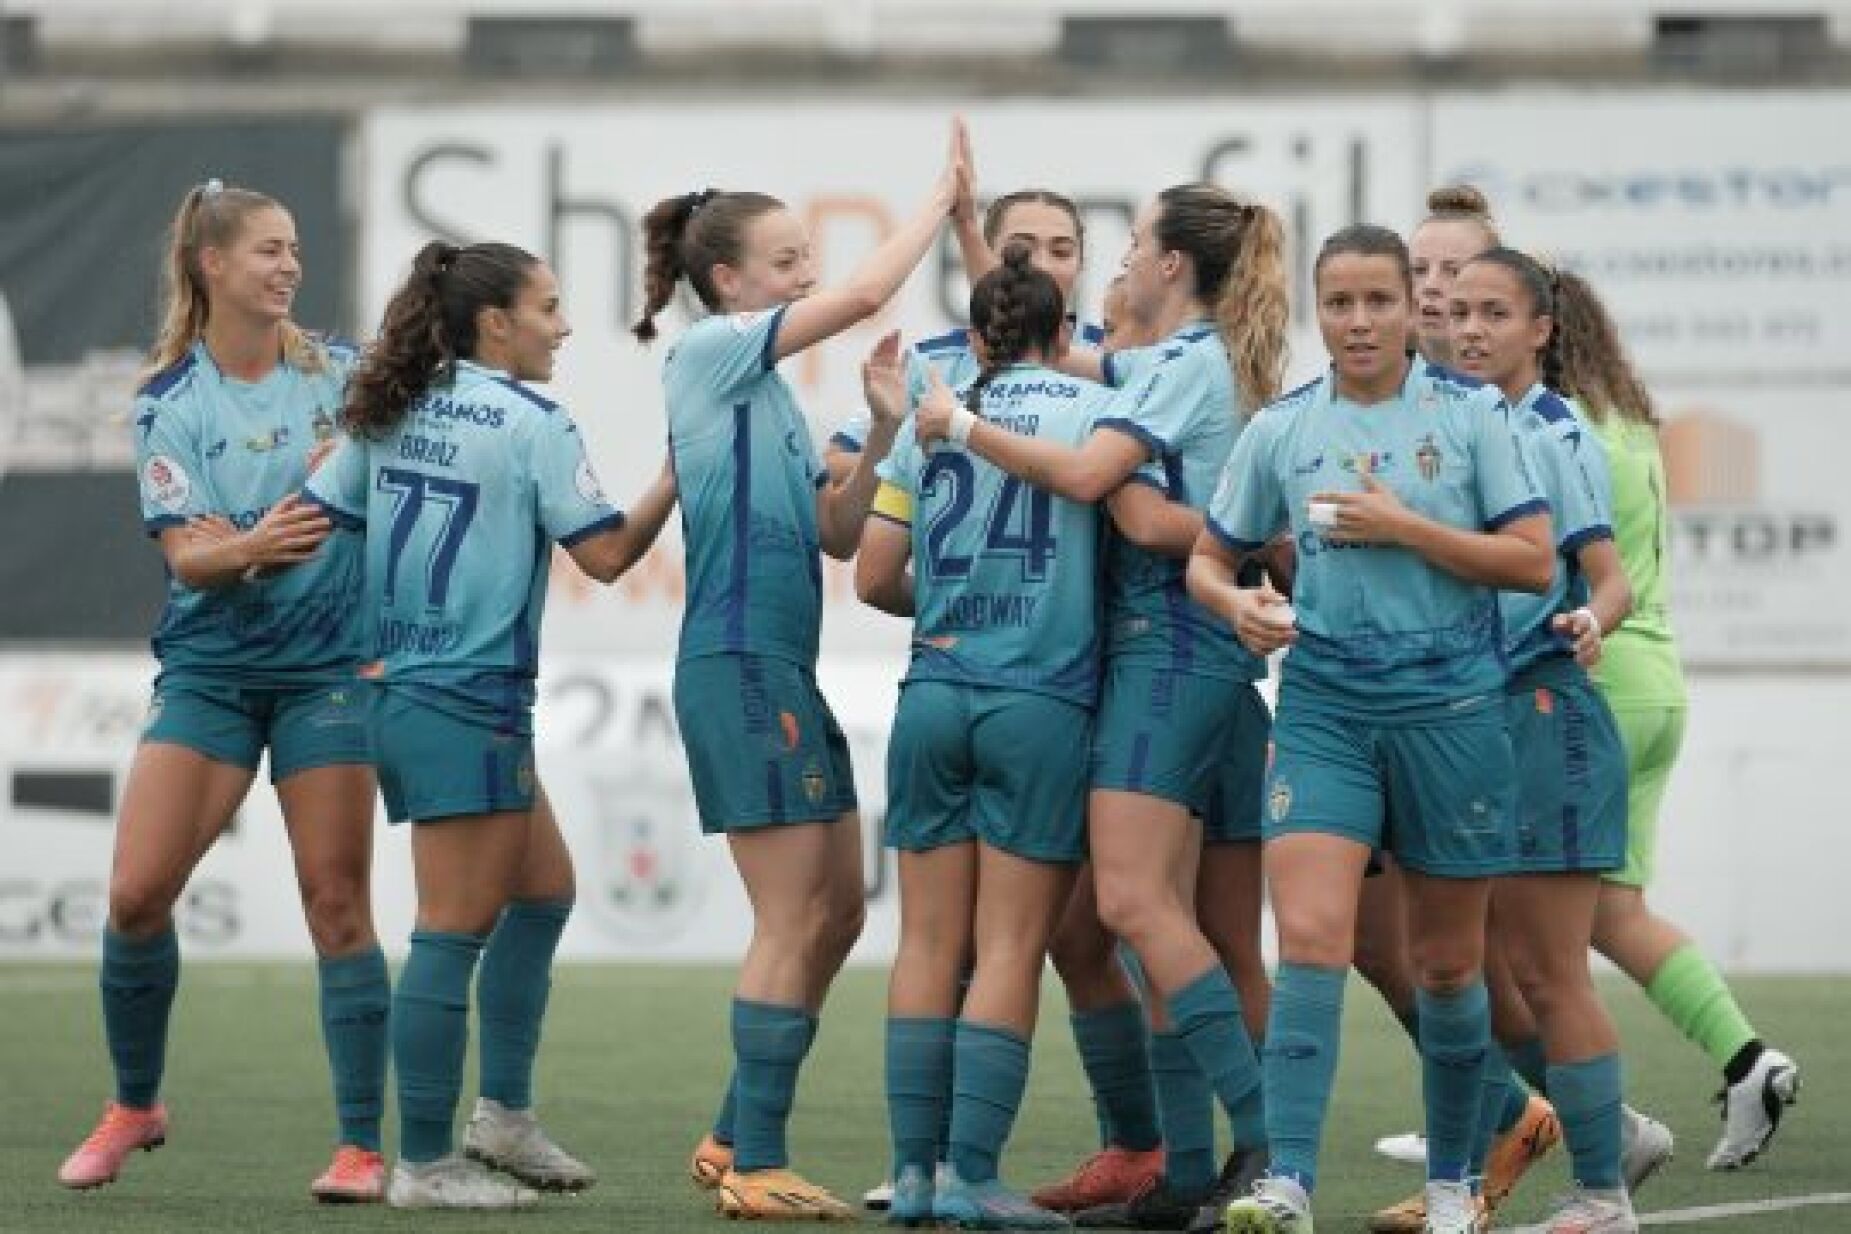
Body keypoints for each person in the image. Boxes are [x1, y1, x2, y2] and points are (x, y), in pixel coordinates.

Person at [919, 182, 1290, 1234]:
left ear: (1172, 265)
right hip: (1193, 653)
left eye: (1128, 249)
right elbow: (1046, 356)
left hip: (1166, 649)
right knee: (1161, 923)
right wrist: (974, 242)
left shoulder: (1183, 365)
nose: (1117, 267)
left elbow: (1092, 478)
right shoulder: (1177, 363)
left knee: (1131, 905)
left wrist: (956, 425)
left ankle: (1267, 1147)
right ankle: (1182, 1176)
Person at [1192, 224, 1553, 1234]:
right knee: (1310, 936)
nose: (1357, 321)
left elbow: (1533, 562)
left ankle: (1451, 1187)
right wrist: (1240, 607)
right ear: (1319, 309)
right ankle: (1289, 1182)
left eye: (1377, 301)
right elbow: (1207, 560)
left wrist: (1408, 529)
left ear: (1412, 308)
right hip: (1325, 711)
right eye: (1339, 302)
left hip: (1452, 713)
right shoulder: (1283, 428)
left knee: (1444, 966)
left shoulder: (1474, 416)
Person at [639, 120, 969, 1222]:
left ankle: (736, 1130)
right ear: (728, 281)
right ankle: (758, 1162)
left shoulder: (772, 399)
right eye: (787, 263)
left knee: (832, 913)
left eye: (806, 262)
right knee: (792, 918)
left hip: (779, 667)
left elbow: (837, 536)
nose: (808, 277)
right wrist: (941, 201)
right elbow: (872, 292)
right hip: (736, 664)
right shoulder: (706, 350)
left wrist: (878, 438)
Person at [310, 239, 677, 1209]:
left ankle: (502, 1117)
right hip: (462, 698)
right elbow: (605, 557)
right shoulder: (533, 421)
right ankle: (426, 1162)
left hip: (412, 692)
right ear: (495, 323)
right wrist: (679, 471)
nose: (563, 327)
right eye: (549, 308)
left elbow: (314, 519)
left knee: (543, 890)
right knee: (451, 928)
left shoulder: (389, 409)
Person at [59, 180, 389, 1204]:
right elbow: (189, 560)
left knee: (336, 902)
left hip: (329, 674)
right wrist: (256, 545)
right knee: (133, 896)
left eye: (294, 250)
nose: (291, 266)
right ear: (211, 266)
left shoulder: (344, 378)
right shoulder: (169, 401)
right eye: (268, 251)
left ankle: (358, 1147)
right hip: (209, 675)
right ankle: (136, 1104)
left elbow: (407, 482)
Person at [858, 245, 1114, 1229]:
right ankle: (972, 1174)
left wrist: (961, 603)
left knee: (927, 943)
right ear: (1064, 334)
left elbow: (876, 576)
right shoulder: (1091, 414)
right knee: (1007, 949)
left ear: (974, 338)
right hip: (1037, 702)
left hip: (934, 691)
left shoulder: (929, 423)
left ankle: (913, 1174)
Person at [1557, 269, 1802, 1172]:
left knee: (1520, 929)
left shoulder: (1559, 429)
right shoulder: (1626, 419)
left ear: (1542, 333)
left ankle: (1573, 1125)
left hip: (1594, 682)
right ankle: (1748, 1060)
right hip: (1655, 680)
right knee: (1615, 913)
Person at [1452, 247, 1640, 1233]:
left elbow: (1610, 576)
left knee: (1547, 970)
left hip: (1543, 714)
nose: (1472, 327)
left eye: (1496, 311)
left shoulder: (1553, 434)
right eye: (1462, 311)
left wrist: (1594, 619)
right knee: (1471, 960)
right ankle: (1595, 1134)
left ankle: (1604, 1190)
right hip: (1470, 716)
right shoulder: (1454, 420)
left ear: (1541, 330)